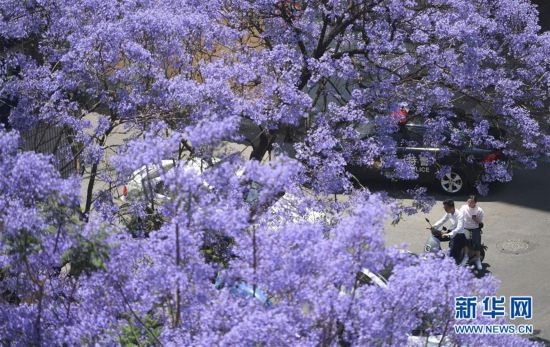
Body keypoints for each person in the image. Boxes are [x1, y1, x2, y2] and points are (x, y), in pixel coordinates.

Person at [431, 199, 468, 265]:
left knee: (451, 252)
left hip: (458, 234)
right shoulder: (449, 213)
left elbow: (459, 228)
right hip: (451, 231)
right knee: (435, 237)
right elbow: (442, 220)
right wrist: (434, 226)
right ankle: (440, 254)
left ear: (451, 207)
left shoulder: (460, 215)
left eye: (446, 207)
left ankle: (453, 265)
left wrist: (448, 234)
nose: (444, 209)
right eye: (444, 207)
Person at [459, 195, 484, 271]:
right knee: (465, 241)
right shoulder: (463, 208)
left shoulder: (479, 210)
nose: (469, 203)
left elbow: (480, 223)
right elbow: (459, 217)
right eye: (468, 201)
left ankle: (478, 259)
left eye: (471, 202)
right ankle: (466, 257)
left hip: (475, 228)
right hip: (465, 227)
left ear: (475, 203)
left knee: (477, 242)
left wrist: (475, 219)